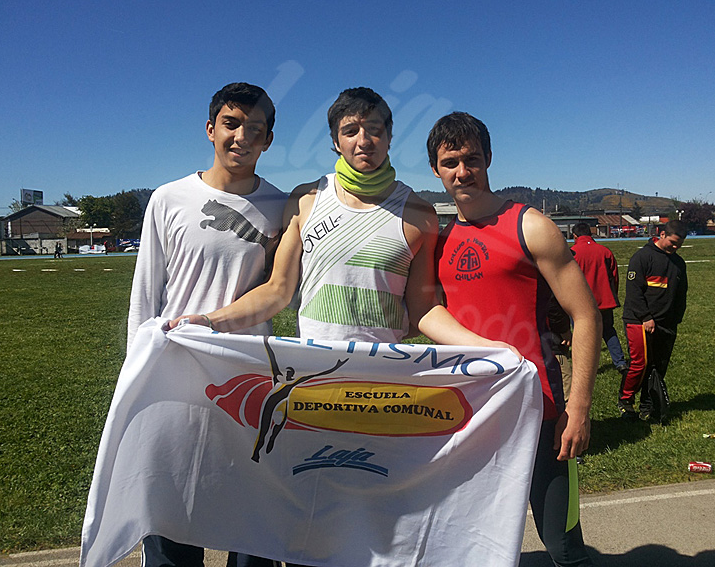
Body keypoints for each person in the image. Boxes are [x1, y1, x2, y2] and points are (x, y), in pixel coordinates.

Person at [170, 89, 517, 567]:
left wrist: (490, 350)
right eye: (351, 131)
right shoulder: (306, 200)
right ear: (335, 141)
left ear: (389, 137)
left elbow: (422, 311)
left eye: (374, 130)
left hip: (383, 391)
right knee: (309, 518)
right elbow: (277, 291)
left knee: (378, 518)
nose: (363, 140)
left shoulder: (419, 214)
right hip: (314, 388)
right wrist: (210, 321)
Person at [429, 112, 601, 567]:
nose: (462, 172)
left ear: (488, 159)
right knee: (466, 542)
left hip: (539, 410)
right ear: (436, 169)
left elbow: (585, 315)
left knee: (563, 545)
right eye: (450, 162)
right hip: (471, 413)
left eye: (472, 159)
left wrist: (579, 407)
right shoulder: (440, 241)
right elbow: (427, 315)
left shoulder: (531, 225)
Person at [127, 82, 288, 567]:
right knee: (171, 509)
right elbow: (145, 295)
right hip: (175, 373)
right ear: (210, 129)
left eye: (255, 129)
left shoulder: (283, 208)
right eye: (231, 124)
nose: (241, 137)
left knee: (253, 516)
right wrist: (136, 372)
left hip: (247, 376)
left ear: (268, 139)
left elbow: (282, 290)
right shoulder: (169, 198)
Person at [619, 220, 688, 422]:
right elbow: (633, 292)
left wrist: (676, 318)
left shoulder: (678, 263)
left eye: (679, 245)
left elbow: (681, 294)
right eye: (673, 243)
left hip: (667, 323)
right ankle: (625, 400)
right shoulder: (642, 257)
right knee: (640, 363)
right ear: (662, 235)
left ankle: (648, 404)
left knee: (659, 366)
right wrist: (646, 317)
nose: (675, 247)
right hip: (639, 321)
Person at [571, 222, 628, 373]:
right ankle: (620, 362)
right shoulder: (605, 251)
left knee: (581, 336)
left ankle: (586, 366)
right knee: (608, 331)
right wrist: (612, 295)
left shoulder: (573, 253)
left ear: (575, 235)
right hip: (604, 300)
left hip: (580, 303)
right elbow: (614, 276)